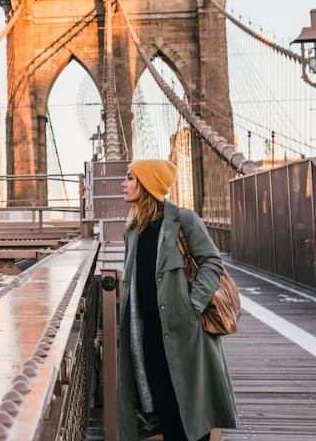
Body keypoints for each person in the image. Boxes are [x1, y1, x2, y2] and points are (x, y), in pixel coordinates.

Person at [117, 159, 237, 441]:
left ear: (148, 184)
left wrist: (193, 306)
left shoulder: (183, 219)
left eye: (131, 178)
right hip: (148, 335)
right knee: (166, 411)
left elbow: (211, 261)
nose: (124, 183)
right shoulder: (133, 229)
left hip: (185, 332)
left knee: (193, 413)